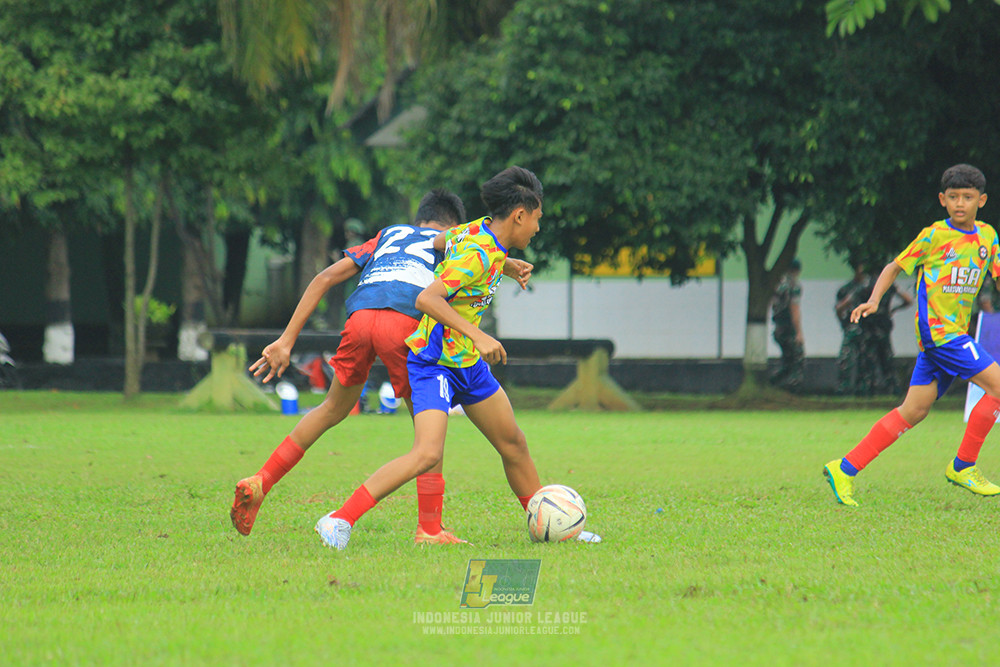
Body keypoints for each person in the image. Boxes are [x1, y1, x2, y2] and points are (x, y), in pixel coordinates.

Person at [314, 166, 600, 550]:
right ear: (519, 215)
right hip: (433, 363)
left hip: (466, 363)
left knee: (513, 443)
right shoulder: (479, 253)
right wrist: (478, 333)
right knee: (426, 453)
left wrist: (504, 264)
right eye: (537, 218)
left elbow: (437, 242)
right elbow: (426, 299)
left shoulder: (480, 232)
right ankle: (338, 520)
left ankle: (550, 520)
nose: (537, 227)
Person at [230, 189, 532, 543]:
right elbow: (468, 251)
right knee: (428, 438)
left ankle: (262, 479)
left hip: (360, 318)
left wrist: (286, 340)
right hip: (404, 322)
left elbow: (324, 278)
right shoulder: (456, 238)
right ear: (453, 224)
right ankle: (429, 527)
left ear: (420, 219)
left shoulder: (389, 234)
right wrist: (505, 264)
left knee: (331, 408)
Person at [824, 163, 1000, 506]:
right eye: (953, 197)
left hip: (951, 336)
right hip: (941, 335)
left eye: (967, 197)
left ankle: (844, 468)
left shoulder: (988, 237)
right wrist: (874, 300)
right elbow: (894, 266)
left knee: (913, 410)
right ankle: (963, 466)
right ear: (942, 199)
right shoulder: (934, 236)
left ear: (981, 200)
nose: (960, 203)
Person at [834, 262, 869, 395]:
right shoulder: (847, 289)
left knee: (865, 360)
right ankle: (844, 389)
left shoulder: (869, 289)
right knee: (846, 359)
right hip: (851, 328)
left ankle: (863, 389)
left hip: (868, 329)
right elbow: (839, 309)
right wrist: (844, 324)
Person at [770, 259, 804, 389]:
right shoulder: (793, 286)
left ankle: (772, 384)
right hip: (789, 329)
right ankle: (792, 389)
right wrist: (799, 332)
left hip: (778, 328)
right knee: (797, 360)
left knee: (787, 362)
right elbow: (794, 310)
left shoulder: (778, 285)